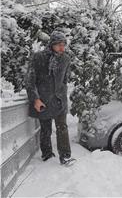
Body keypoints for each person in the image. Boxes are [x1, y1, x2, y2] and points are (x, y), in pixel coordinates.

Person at [25, 30, 75, 165]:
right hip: (43, 100)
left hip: (59, 101)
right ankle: (47, 154)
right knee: (45, 129)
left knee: (62, 128)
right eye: (59, 44)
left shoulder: (66, 59)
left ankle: (65, 156)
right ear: (51, 44)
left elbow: (65, 79)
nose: (62, 48)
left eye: (64, 45)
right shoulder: (38, 58)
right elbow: (30, 81)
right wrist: (35, 99)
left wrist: (62, 92)